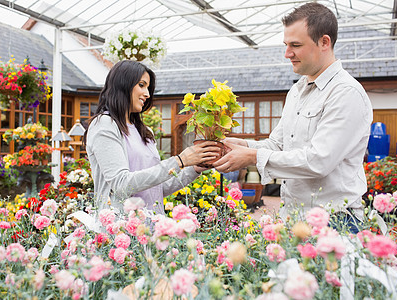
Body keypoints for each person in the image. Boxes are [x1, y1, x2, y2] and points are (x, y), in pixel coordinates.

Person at [213, 2, 373, 232]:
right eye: (286, 44)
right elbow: (279, 144)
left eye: (295, 45)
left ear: (324, 42)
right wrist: (242, 145)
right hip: (295, 218)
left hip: (334, 223)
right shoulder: (297, 91)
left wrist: (252, 156)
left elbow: (319, 161)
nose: (287, 54)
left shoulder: (345, 93)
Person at [84, 60, 219, 215]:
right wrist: (179, 161)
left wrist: (193, 168)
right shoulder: (105, 125)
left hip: (151, 229)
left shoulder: (143, 131)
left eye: (148, 87)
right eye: (141, 85)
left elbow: (156, 188)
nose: (147, 94)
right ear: (123, 84)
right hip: (120, 230)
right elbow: (120, 185)